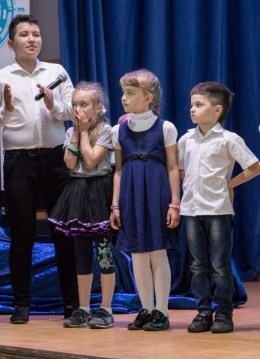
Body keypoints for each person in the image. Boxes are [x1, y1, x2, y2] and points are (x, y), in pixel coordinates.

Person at [0, 14, 79, 324]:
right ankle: (21, 304)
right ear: (11, 43)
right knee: (22, 235)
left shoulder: (56, 73)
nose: (32, 39)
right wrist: (5, 111)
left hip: (56, 159)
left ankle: (72, 304)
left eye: (36, 34)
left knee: (63, 232)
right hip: (18, 162)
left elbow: (74, 111)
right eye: (24, 35)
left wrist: (52, 105)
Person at [179, 81, 260, 334]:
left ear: (217, 110)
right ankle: (203, 312)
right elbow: (181, 170)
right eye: (192, 104)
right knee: (197, 265)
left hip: (218, 211)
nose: (192, 109)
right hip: (191, 210)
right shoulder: (186, 139)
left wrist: (230, 184)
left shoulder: (228, 139)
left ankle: (224, 313)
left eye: (199, 104)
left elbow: (255, 167)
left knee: (220, 265)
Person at [110, 69, 180, 331]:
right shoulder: (118, 130)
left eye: (130, 93)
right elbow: (118, 171)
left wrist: (174, 204)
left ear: (148, 97)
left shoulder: (166, 128)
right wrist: (115, 205)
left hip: (157, 193)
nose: (123, 98)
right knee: (138, 254)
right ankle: (146, 308)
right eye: (123, 92)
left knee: (157, 252)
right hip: (130, 194)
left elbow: (172, 167)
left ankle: (162, 311)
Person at [48, 82, 116, 329]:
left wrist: (85, 132)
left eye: (84, 104)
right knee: (82, 255)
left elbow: (90, 161)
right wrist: (77, 132)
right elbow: (69, 163)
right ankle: (84, 308)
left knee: (104, 254)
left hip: (99, 190)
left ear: (98, 107)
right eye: (74, 104)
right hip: (77, 191)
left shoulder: (107, 130)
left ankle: (106, 308)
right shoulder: (70, 132)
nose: (78, 109)